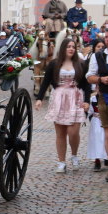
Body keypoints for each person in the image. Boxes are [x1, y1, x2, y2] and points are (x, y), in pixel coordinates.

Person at [35, 38, 90, 173]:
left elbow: (86, 84)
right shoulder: (54, 64)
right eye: (68, 46)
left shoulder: (81, 64)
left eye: (73, 46)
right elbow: (46, 81)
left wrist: (87, 101)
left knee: (73, 132)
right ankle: (61, 162)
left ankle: (74, 155)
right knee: (60, 133)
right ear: (63, 49)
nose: (71, 49)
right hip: (59, 98)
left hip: (75, 98)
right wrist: (39, 98)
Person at [85, 26, 108, 182]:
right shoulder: (98, 56)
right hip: (106, 96)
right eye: (106, 37)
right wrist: (101, 79)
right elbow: (89, 76)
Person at [85, 40, 108, 171]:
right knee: (96, 134)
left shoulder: (107, 61)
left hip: (106, 96)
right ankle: (97, 158)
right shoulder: (91, 61)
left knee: (107, 133)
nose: (100, 49)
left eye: (101, 46)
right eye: (97, 47)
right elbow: (87, 79)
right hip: (94, 98)